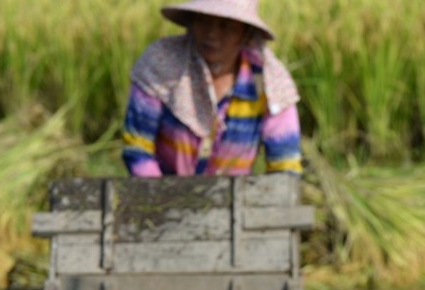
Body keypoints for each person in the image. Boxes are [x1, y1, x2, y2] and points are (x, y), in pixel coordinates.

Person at [122, 0, 302, 177]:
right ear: (192, 22)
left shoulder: (266, 79)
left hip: (236, 199)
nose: (212, 34)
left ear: (246, 32)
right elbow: (137, 147)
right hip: (159, 195)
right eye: (204, 20)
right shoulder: (161, 65)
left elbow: (285, 164)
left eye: (226, 26)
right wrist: (163, 200)